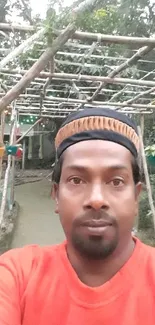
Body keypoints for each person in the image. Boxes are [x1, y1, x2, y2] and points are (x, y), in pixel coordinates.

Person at [0, 107, 155, 325]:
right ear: (56, 195)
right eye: (76, 180)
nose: (96, 199)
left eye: (116, 181)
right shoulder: (18, 276)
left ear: (136, 197)